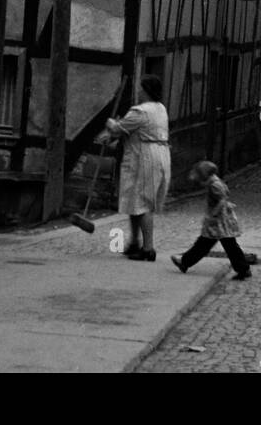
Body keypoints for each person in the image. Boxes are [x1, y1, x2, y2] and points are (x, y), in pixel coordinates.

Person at [105, 73, 171, 261]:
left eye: (141, 89)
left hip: (144, 158)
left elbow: (118, 129)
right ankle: (134, 242)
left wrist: (111, 124)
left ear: (147, 91)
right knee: (135, 201)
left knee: (142, 202)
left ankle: (148, 248)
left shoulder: (140, 111)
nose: (138, 92)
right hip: (157, 154)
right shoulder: (161, 109)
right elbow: (130, 131)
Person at [170, 160, 252, 281]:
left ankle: (185, 261)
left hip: (219, 222)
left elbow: (221, 201)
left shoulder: (214, 185)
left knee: (207, 243)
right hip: (221, 221)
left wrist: (212, 215)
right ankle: (243, 268)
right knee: (224, 244)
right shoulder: (215, 182)